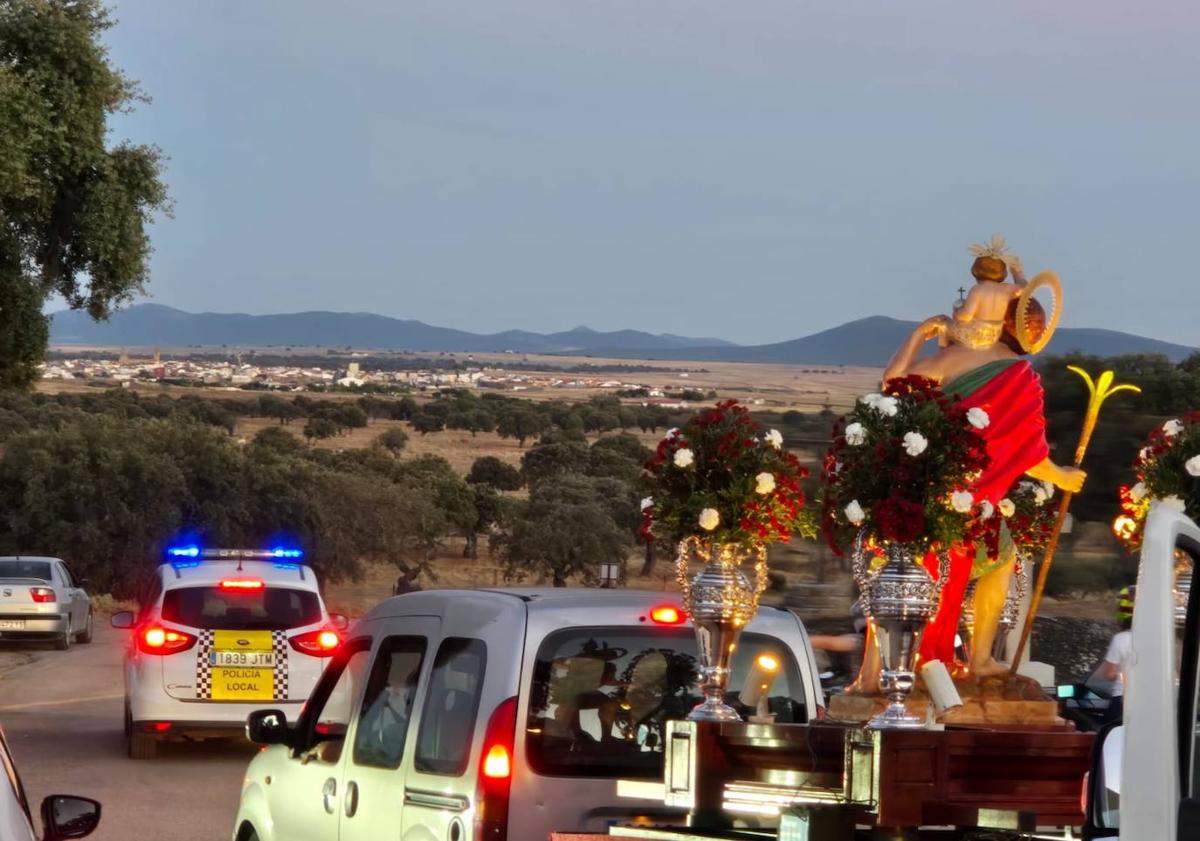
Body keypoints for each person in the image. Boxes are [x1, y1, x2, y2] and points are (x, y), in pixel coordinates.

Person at [875, 292, 1085, 677]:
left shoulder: (954, 359)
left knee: (899, 572)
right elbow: (1025, 448)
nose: (960, 312)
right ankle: (980, 659)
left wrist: (919, 334)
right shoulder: (1018, 374)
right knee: (999, 560)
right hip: (971, 497)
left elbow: (892, 382)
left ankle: (885, 668)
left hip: (923, 487)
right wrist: (1062, 476)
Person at [1098, 587, 1135, 724]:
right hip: (1155, 701)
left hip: (1123, 700)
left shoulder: (1121, 639)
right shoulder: (1166, 640)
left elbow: (1109, 674)